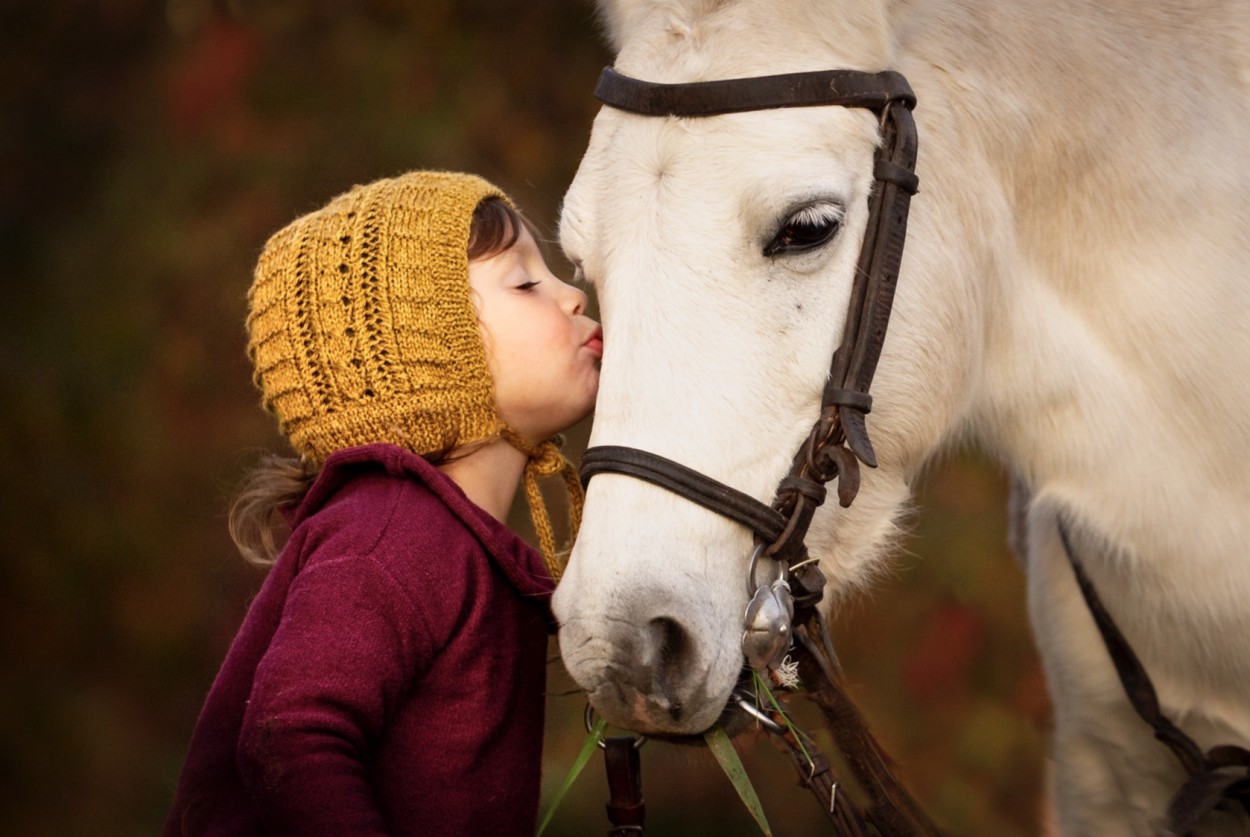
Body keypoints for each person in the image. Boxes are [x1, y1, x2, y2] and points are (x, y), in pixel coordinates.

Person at [163, 171, 602, 836]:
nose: (574, 295)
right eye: (525, 281)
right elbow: (291, 732)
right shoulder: (393, 533)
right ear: (430, 350)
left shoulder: (457, 542)